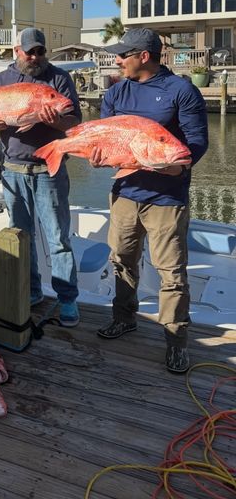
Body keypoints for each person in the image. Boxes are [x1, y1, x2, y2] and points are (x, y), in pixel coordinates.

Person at [94, 28, 208, 373]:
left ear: (144, 56)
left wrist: (177, 170)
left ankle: (176, 342)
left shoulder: (181, 91)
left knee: (171, 273)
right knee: (122, 261)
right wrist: (98, 155)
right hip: (125, 194)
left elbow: (197, 144)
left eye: (123, 55)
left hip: (166, 198)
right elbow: (104, 138)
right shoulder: (116, 91)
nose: (117, 60)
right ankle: (124, 318)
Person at [0, 29, 82, 326]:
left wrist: (58, 122)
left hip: (48, 170)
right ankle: (32, 291)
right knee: (20, 236)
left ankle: (67, 299)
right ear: (17, 50)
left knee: (58, 238)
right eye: (30, 51)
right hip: (13, 169)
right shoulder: (0, 81)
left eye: (40, 51)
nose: (36, 57)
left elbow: (74, 120)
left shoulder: (58, 79)